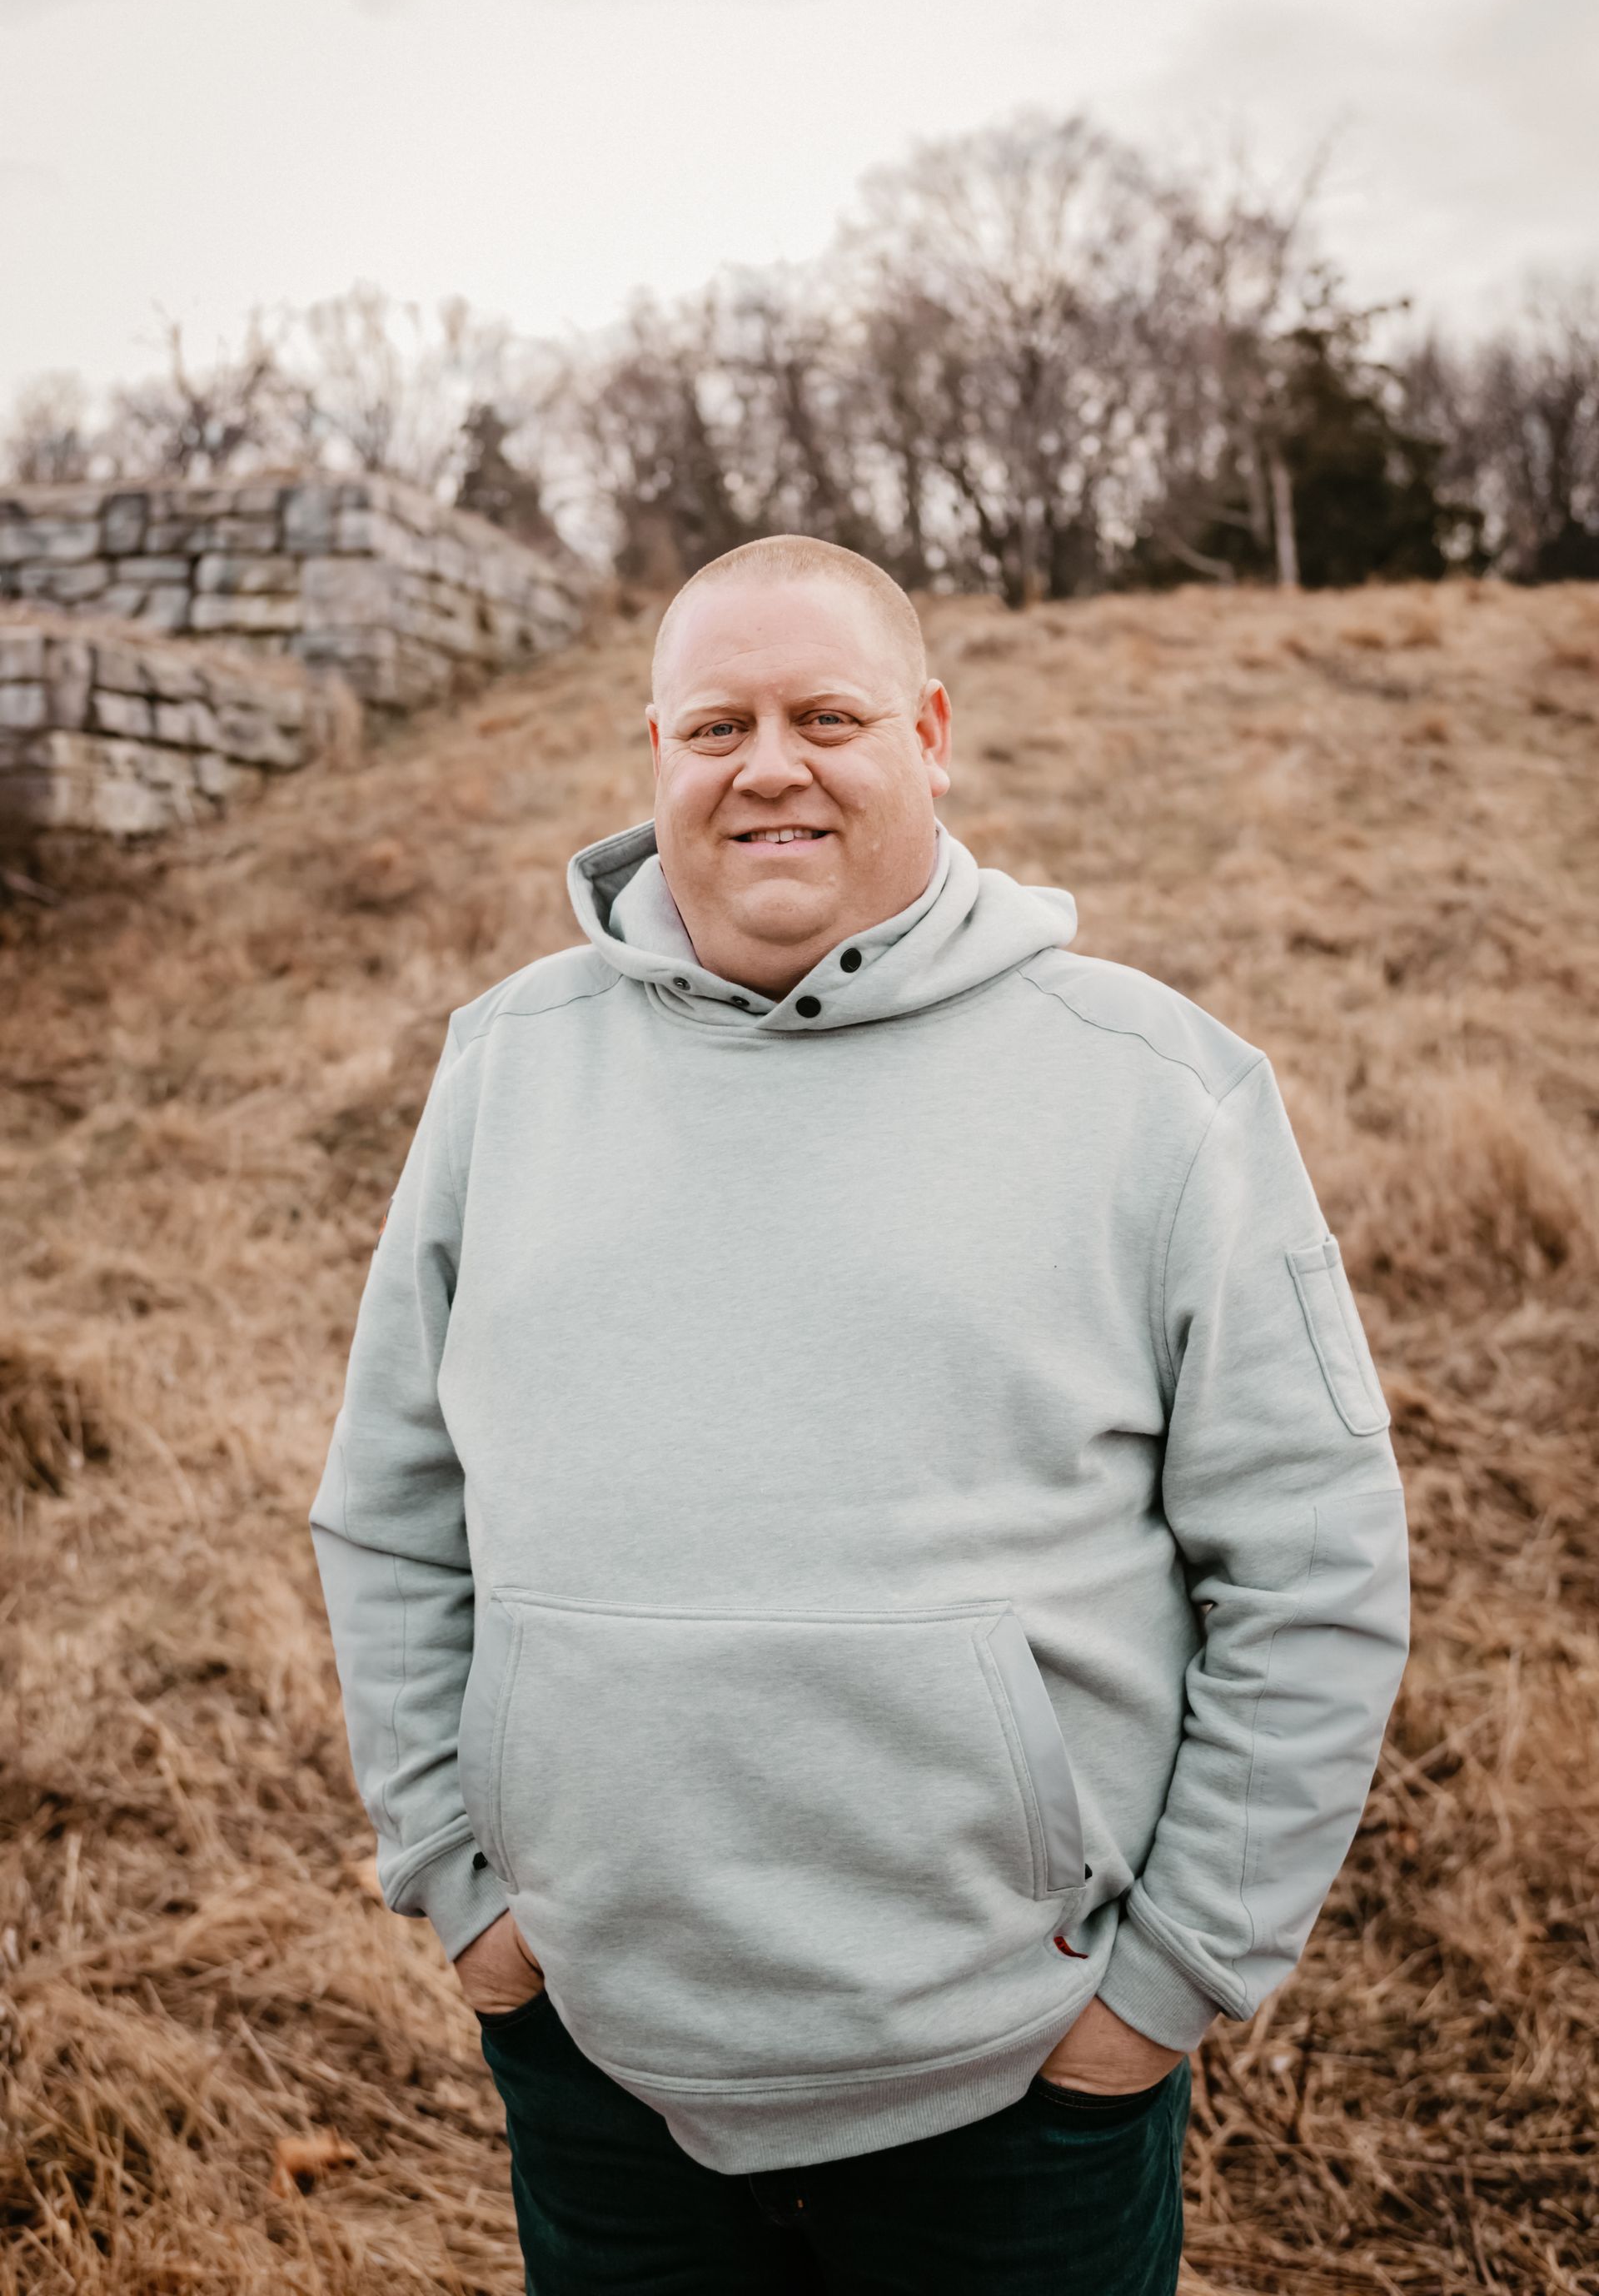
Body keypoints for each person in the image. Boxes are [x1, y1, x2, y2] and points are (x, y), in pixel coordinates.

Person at [311, 535, 1409, 2294]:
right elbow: (388, 1507)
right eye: (716, 726)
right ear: (656, 752)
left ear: (931, 735)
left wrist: (1159, 1997)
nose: (770, 767)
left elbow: (1316, 1570)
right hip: (602, 2072)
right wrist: (468, 1891)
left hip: (1023, 2101)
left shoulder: (1159, 1093)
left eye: (827, 717)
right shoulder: (506, 1068)